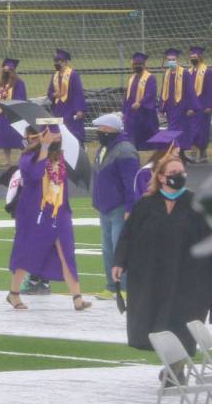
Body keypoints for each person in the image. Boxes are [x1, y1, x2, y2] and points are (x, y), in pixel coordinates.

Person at [113, 155, 212, 367]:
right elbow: (128, 235)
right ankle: (172, 364)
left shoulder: (196, 203)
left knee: (181, 320)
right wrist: (119, 261)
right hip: (151, 275)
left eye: (181, 173)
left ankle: (177, 367)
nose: (178, 177)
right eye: (172, 174)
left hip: (187, 277)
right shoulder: (146, 204)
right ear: (160, 177)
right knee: (157, 323)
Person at [6, 123, 92, 311]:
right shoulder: (28, 157)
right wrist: (44, 148)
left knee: (67, 253)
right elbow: (34, 176)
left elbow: (61, 185)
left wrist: (66, 209)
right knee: (26, 252)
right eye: (53, 135)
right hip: (34, 214)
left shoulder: (60, 158)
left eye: (58, 136)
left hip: (58, 213)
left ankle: (77, 297)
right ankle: (13, 293)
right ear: (43, 136)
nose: (57, 139)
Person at [90, 113, 140, 301]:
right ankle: (111, 286)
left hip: (119, 208)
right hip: (105, 207)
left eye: (102, 128)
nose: (99, 132)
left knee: (121, 248)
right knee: (108, 248)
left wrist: (130, 208)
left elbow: (131, 183)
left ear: (111, 129)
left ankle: (125, 287)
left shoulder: (125, 150)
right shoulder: (104, 148)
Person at [159, 47, 199, 156]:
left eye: (173, 59)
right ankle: (178, 153)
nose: (171, 62)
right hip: (170, 108)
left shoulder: (184, 73)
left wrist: (192, 107)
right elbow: (163, 91)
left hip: (182, 107)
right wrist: (161, 108)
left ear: (177, 60)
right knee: (173, 130)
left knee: (179, 130)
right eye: (169, 60)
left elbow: (191, 91)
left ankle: (178, 153)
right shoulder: (166, 74)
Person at [47, 49, 86, 143]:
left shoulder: (73, 75)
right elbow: (49, 92)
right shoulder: (55, 76)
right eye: (55, 62)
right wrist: (53, 95)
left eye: (58, 62)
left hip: (70, 108)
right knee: (59, 132)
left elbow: (78, 92)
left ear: (64, 62)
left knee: (72, 132)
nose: (56, 64)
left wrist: (79, 109)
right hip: (58, 108)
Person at [0, 58, 27, 166]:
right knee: (5, 138)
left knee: (18, 137)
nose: (6, 72)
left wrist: (12, 107)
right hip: (3, 115)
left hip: (14, 115)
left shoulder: (19, 83)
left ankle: (22, 159)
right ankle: (8, 161)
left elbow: (21, 98)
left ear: (13, 71)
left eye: (9, 70)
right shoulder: (2, 83)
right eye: (5, 71)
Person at [123, 53, 159, 151]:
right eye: (135, 64)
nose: (137, 66)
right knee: (131, 135)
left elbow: (150, 94)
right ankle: (132, 152)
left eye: (139, 64)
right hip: (132, 114)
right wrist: (125, 111)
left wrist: (140, 103)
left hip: (145, 113)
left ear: (144, 65)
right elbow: (127, 96)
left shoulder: (150, 78)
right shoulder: (132, 78)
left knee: (147, 135)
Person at [134, 129, 181, 201]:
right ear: (166, 153)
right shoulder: (146, 172)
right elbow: (141, 199)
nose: (178, 157)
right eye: (176, 153)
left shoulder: (173, 171)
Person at [188, 46, 211, 162]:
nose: (193, 59)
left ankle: (203, 154)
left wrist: (210, 105)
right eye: (191, 57)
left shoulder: (207, 71)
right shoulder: (189, 72)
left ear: (200, 57)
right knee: (192, 129)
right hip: (192, 107)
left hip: (203, 106)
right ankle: (193, 153)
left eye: (195, 57)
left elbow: (210, 89)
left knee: (203, 130)